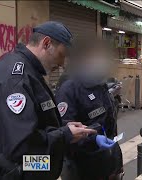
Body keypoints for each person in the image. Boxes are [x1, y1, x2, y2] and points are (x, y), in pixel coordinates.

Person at [0, 21, 103, 180]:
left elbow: (35, 122)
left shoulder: (31, 71)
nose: (62, 65)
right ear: (46, 43)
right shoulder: (16, 78)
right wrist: (65, 135)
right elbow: (22, 146)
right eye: (61, 56)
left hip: (27, 169)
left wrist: (64, 127)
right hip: (15, 171)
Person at [55, 39, 123, 180]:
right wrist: (93, 139)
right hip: (83, 167)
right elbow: (65, 129)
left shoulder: (100, 84)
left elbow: (108, 121)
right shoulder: (69, 88)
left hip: (107, 161)